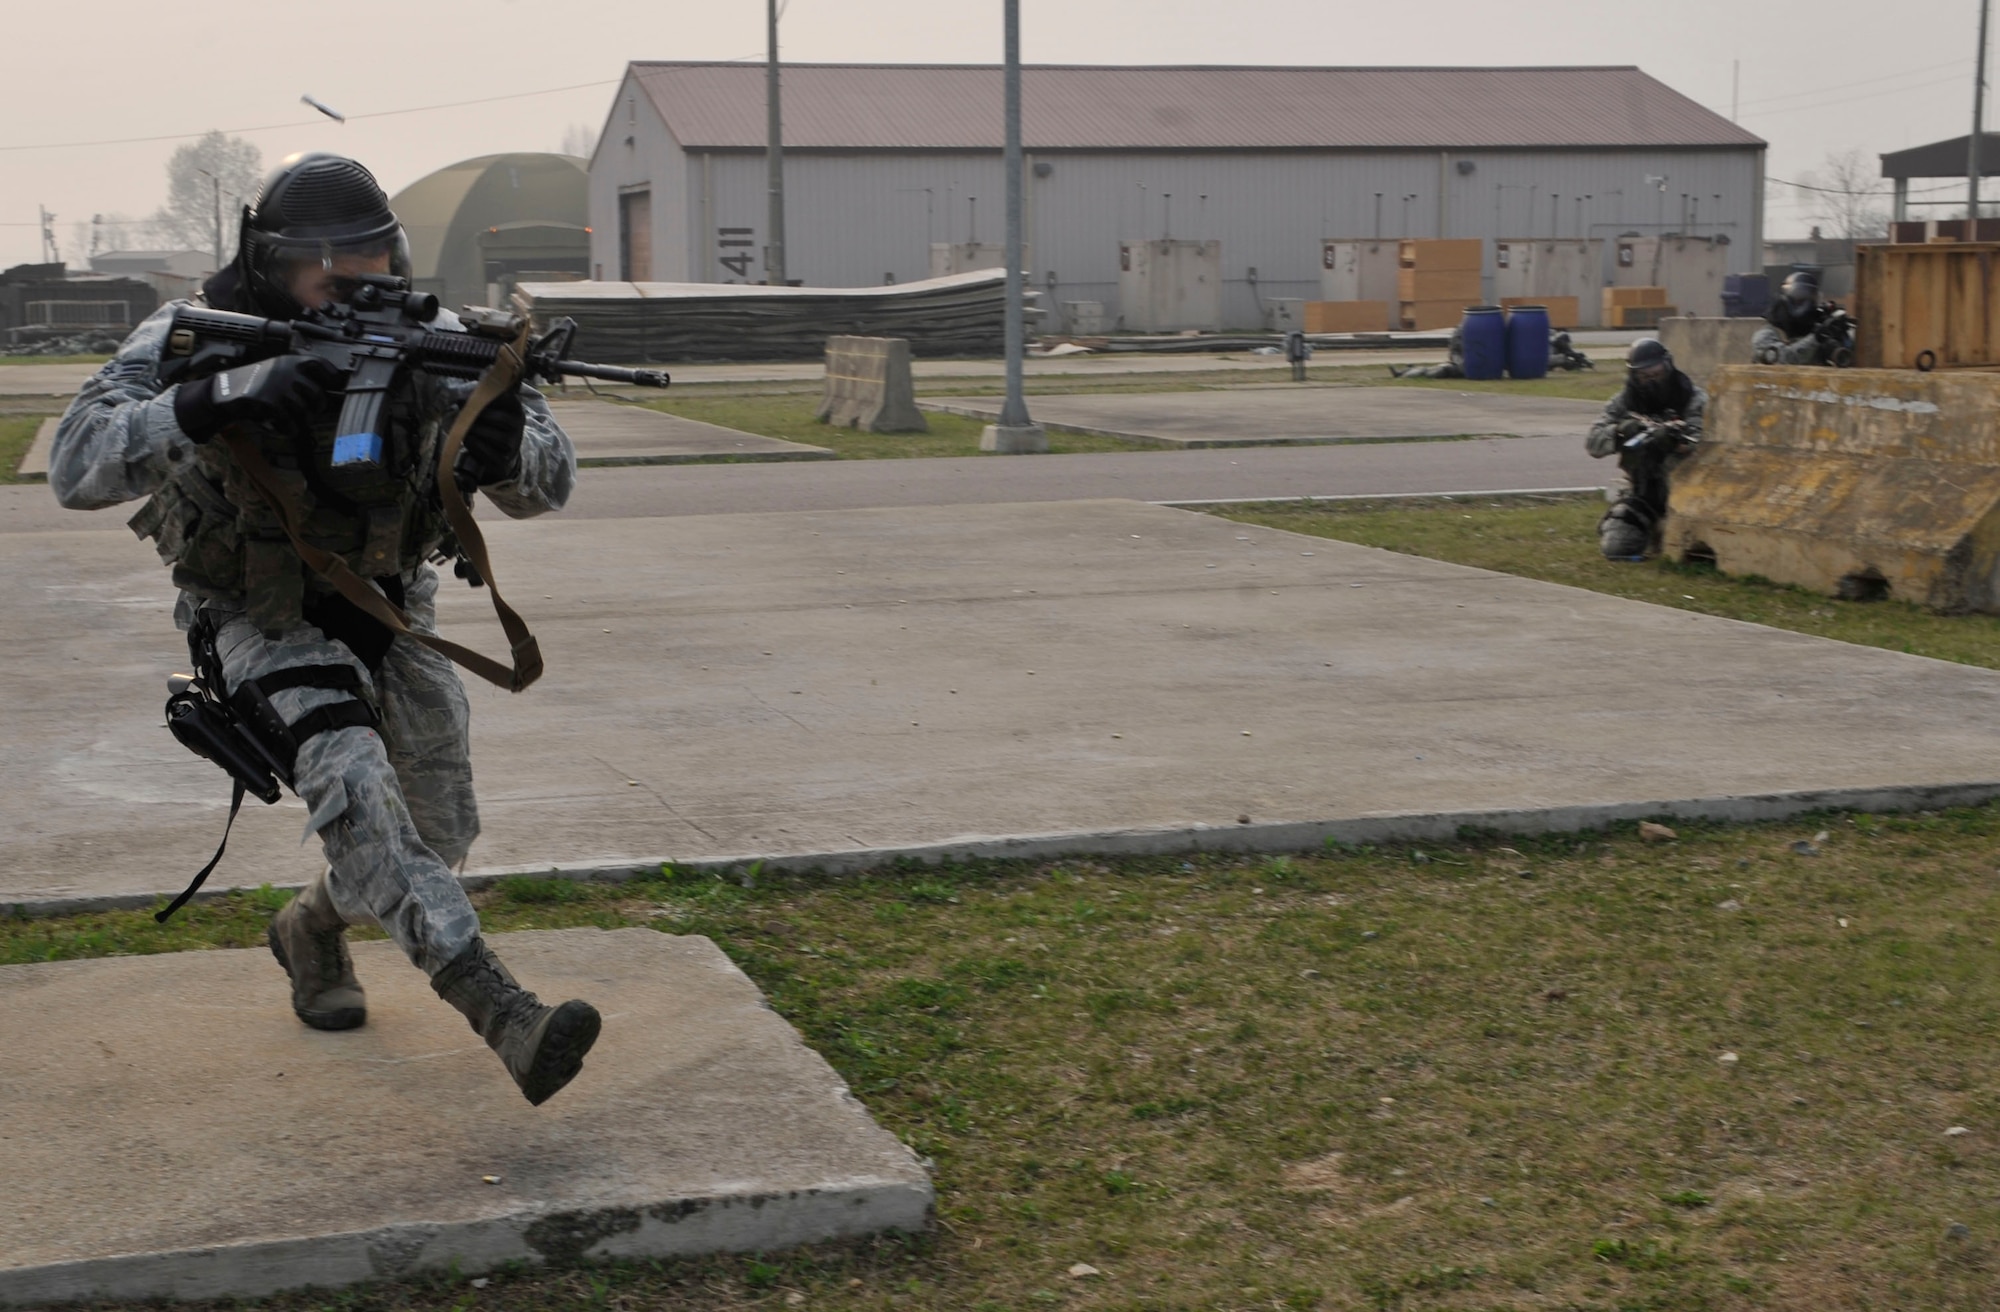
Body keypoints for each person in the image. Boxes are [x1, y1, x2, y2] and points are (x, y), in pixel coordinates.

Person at [48, 152, 600, 1106]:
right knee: (355, 782)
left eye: (370, 251)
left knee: (440, 829)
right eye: (321, 257)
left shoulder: (437, 337)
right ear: (266, 260)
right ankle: (503, 1010)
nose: (351, 274)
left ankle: (309, 928)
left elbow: (550, 481)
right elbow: (76, 463)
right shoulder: (199, 334)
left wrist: (506, 450)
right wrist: (216, 397)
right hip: (257, 610)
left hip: (392, 605)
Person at [1586, 337, 1706, 560]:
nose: (1651, 381)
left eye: (1657, 374)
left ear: (1668, 367)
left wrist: (1675, 442)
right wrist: (1620, 432)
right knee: (1618, 545)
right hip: (1645, 492)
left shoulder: (1693, 398)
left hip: (1689, 489)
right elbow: (1593, 442)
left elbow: (1708, 445)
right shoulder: (1624, 401)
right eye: (1644, 376)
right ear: (1634, 376)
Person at [1753, 270, 1853, 366]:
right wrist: (1816, 338)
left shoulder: (1813, 332)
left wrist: (1841, 336)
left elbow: (1847, 361)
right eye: (1800, 299)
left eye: (1811, 299)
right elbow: (1785, 360)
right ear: (1787, 299)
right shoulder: (1765, 335)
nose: (1807, 305)